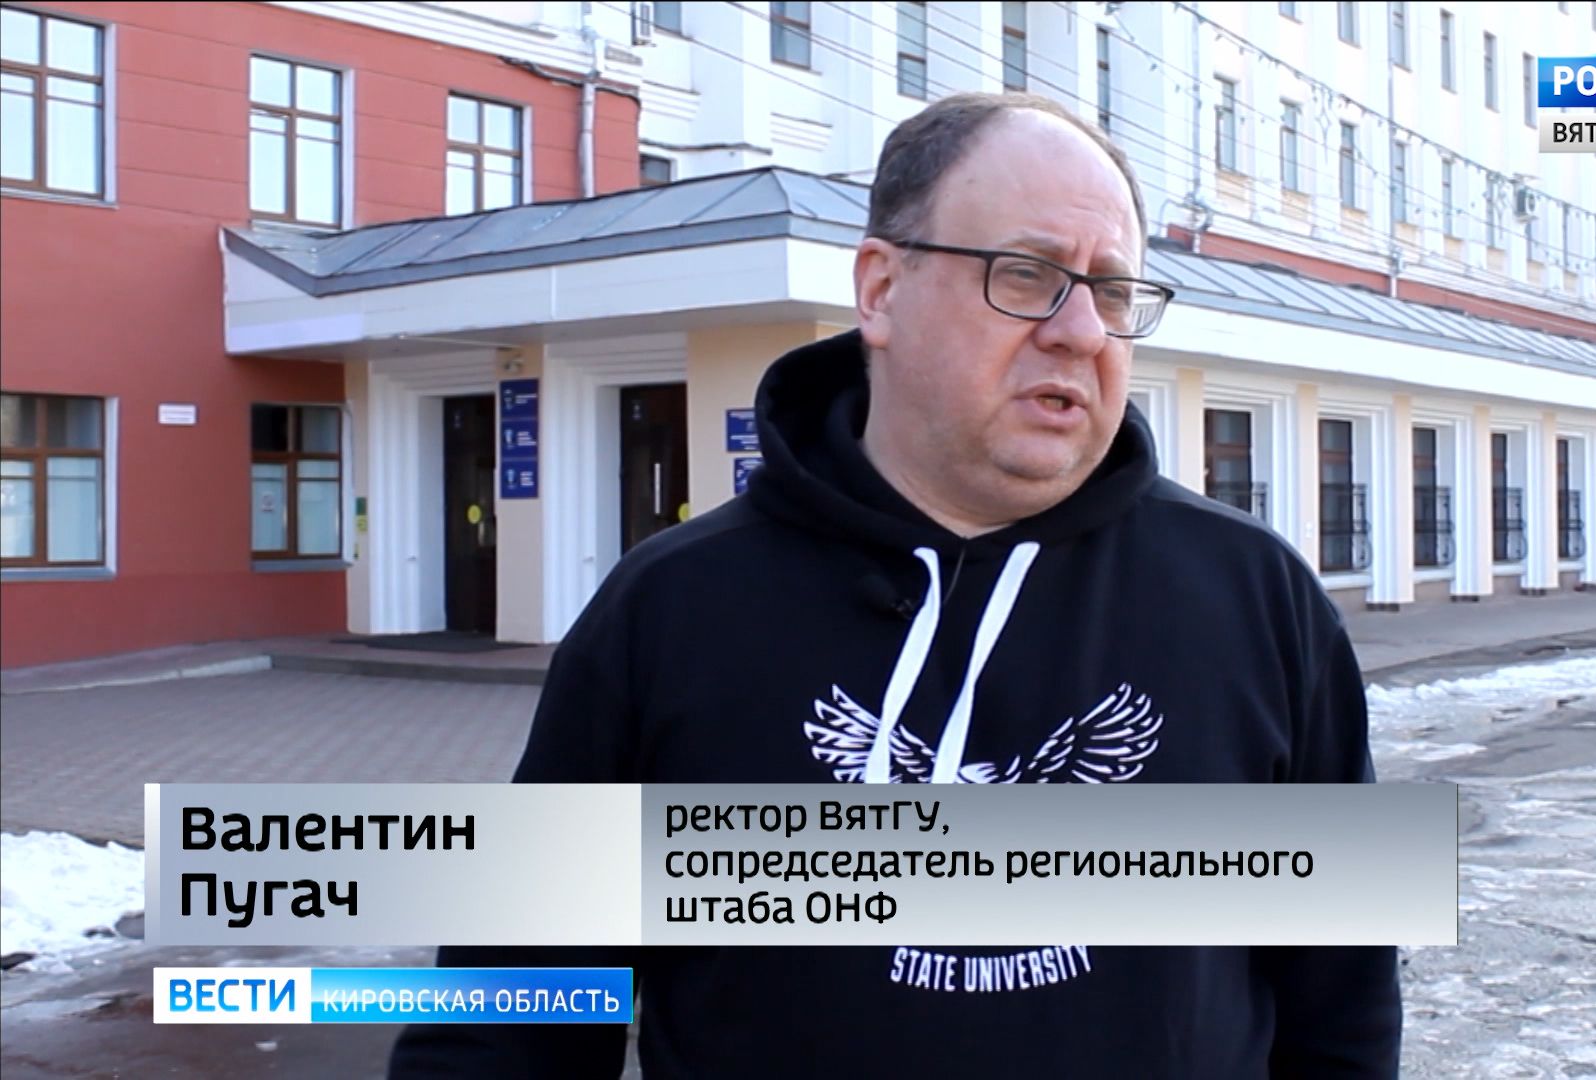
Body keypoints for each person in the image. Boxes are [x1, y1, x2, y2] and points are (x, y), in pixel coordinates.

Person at [389, 91, 1401, 1079]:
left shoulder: (1255, 598)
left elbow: (1342, 1007)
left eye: (1111, 291)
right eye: (1027, 274)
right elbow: (511, 1013)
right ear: (879, 289)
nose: (1083, 332)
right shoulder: (672, 607)